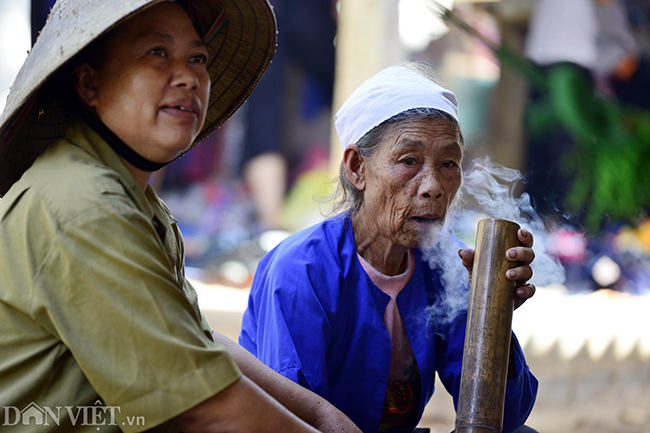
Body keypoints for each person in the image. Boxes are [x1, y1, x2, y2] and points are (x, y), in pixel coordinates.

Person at [0, 1, 362, 432]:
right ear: (88, 83)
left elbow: (197, 342)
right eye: (156, 52)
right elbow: (201, 407)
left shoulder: (134, 199)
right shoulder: (84, 203)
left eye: (198, 59)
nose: (189, 77)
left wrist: (325, 417)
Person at [239, 63, 539, 433]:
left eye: (448, 163)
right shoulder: (301, 269)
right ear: (356, 168)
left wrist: (492, 314)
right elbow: (292, 418)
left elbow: (504, 419)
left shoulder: (451, 265)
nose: (433, 185)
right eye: (409, 161)